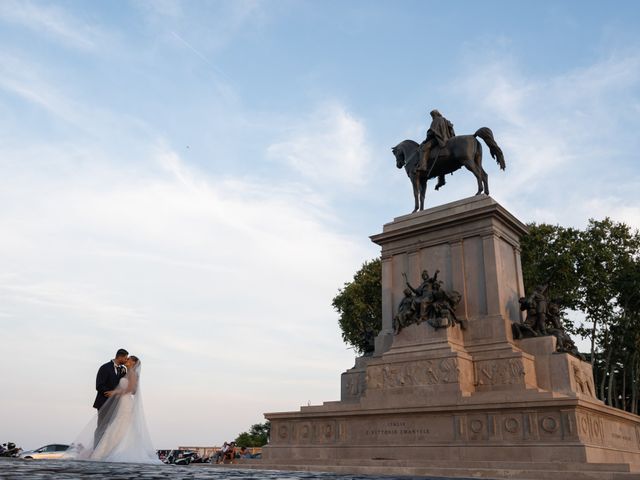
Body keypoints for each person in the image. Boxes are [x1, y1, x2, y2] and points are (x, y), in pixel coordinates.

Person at [65, 354, 161, 464]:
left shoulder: (132, 373)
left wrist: (114, 392)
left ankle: (114, 450)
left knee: (122, 425)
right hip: (118, 403)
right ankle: (103, 450)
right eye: (126, 358)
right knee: (112, 425)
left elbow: (131, 390)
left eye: (129, 359)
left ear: (133, 363)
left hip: (125, 403)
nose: (127, 360)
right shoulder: (124, 371)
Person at [93, 348, 129, 448]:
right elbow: (99, 385)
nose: (126, 360)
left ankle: (106, 448)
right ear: (120, 357)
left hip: (117, 404)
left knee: (112, 428)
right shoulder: (104, 367)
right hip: (104, 402)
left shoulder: (123, 370)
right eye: (125, 358)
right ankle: (96, 448)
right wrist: (111, 393)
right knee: (101, 426)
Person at [418, 109, 455, 190]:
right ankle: (441, 179)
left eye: (432, 115)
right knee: (439, 160)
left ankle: (423, 166)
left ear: (435, 115)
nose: (432, 117)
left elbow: (431, 132)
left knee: (424, 148)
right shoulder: (445, 120)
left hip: (439, 140)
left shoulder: (436, 120)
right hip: (448, 139)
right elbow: (451, 129)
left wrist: (426, 140)